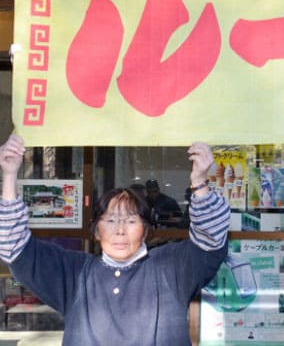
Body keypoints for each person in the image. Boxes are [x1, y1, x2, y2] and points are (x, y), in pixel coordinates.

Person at [0, 134, 230, 346]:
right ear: (97, 231)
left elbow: (211, 237)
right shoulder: (75, 273)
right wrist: (9, 176)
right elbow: (14, 246)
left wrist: (199, 182)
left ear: (146, 230)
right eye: (110, 221)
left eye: (130, 221)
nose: (120, 230)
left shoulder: (170, 268)